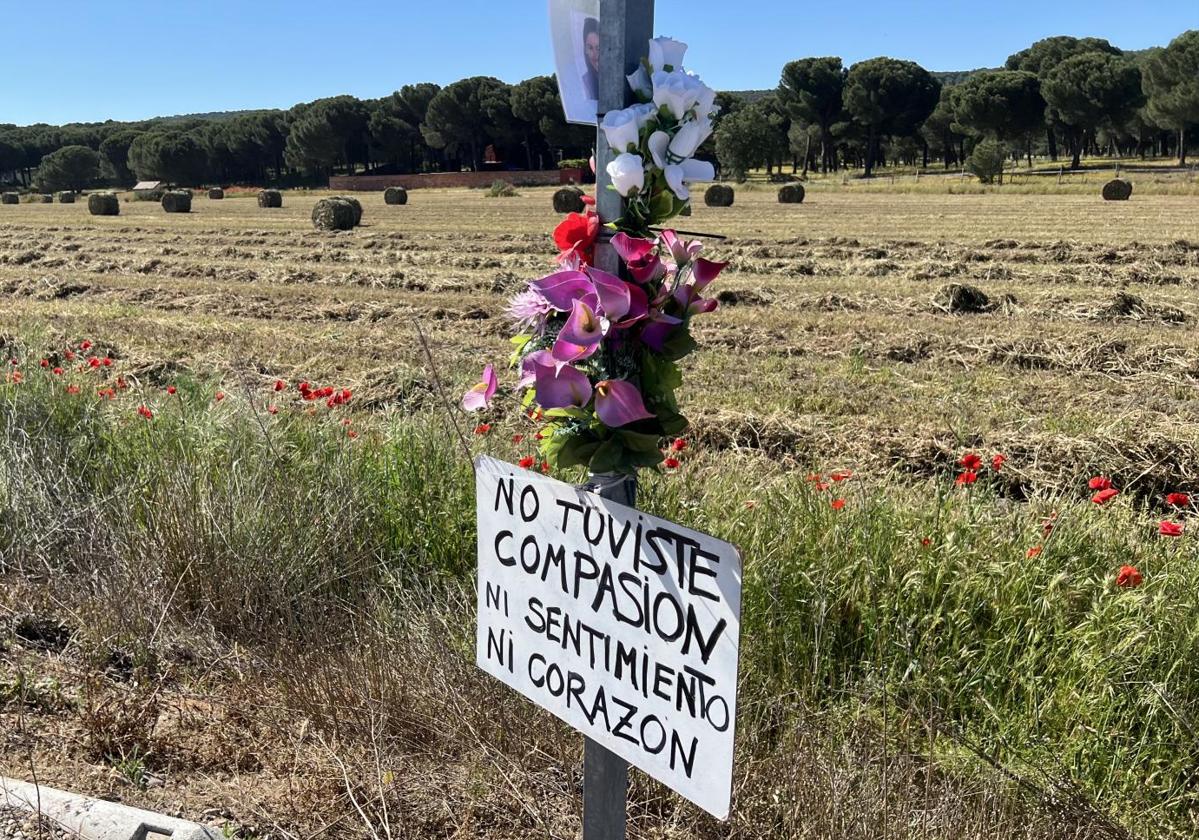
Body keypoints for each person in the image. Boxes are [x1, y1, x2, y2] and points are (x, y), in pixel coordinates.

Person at [581, 17, 599, 102]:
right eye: (590, 48)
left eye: (599, 47)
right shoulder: (585, 82)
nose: (595, 55)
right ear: (585, 50)